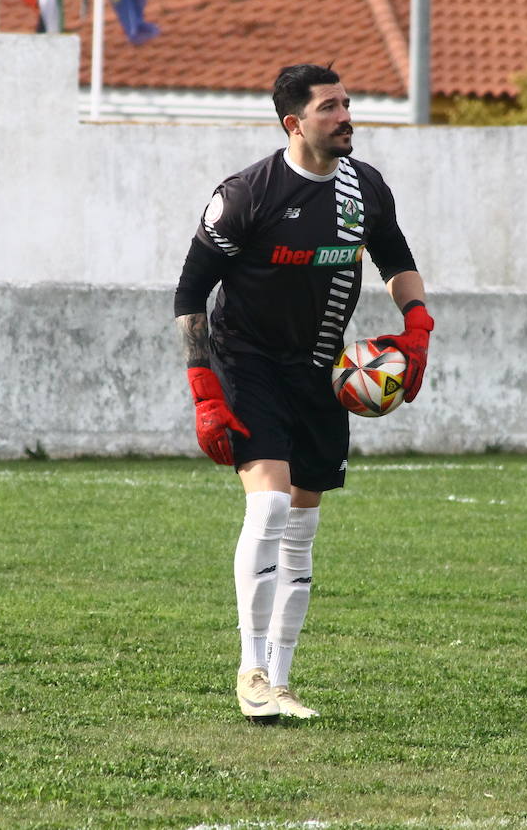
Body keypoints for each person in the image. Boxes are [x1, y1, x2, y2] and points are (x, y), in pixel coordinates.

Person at [173, 64, 433, 722]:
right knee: (268, 512)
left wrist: (418, 327)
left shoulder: (363, 188)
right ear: (295, 123)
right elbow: (190, 291)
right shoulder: (246, 195)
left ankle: (282, 682)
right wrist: (204, 386)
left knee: (303, 528)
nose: (346, 116)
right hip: (247, 359)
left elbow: (395, 258)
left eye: (347, 103)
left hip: (320, 368)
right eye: (330, 108)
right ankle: (250, 670)